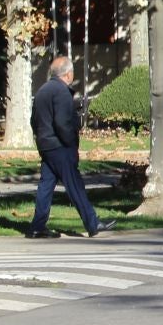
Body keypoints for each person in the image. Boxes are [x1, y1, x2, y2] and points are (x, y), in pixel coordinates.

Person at [29, 55, 102, 239]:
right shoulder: (61, 92)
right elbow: (62, 123)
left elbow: (33, 120)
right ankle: (92, 223)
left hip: (46, 145)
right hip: (60, 146)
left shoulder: (42, 91)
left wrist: (42, 137)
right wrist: (70, 143)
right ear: (68, 74)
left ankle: (38, 226)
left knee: (46, 185)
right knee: (74, 185)